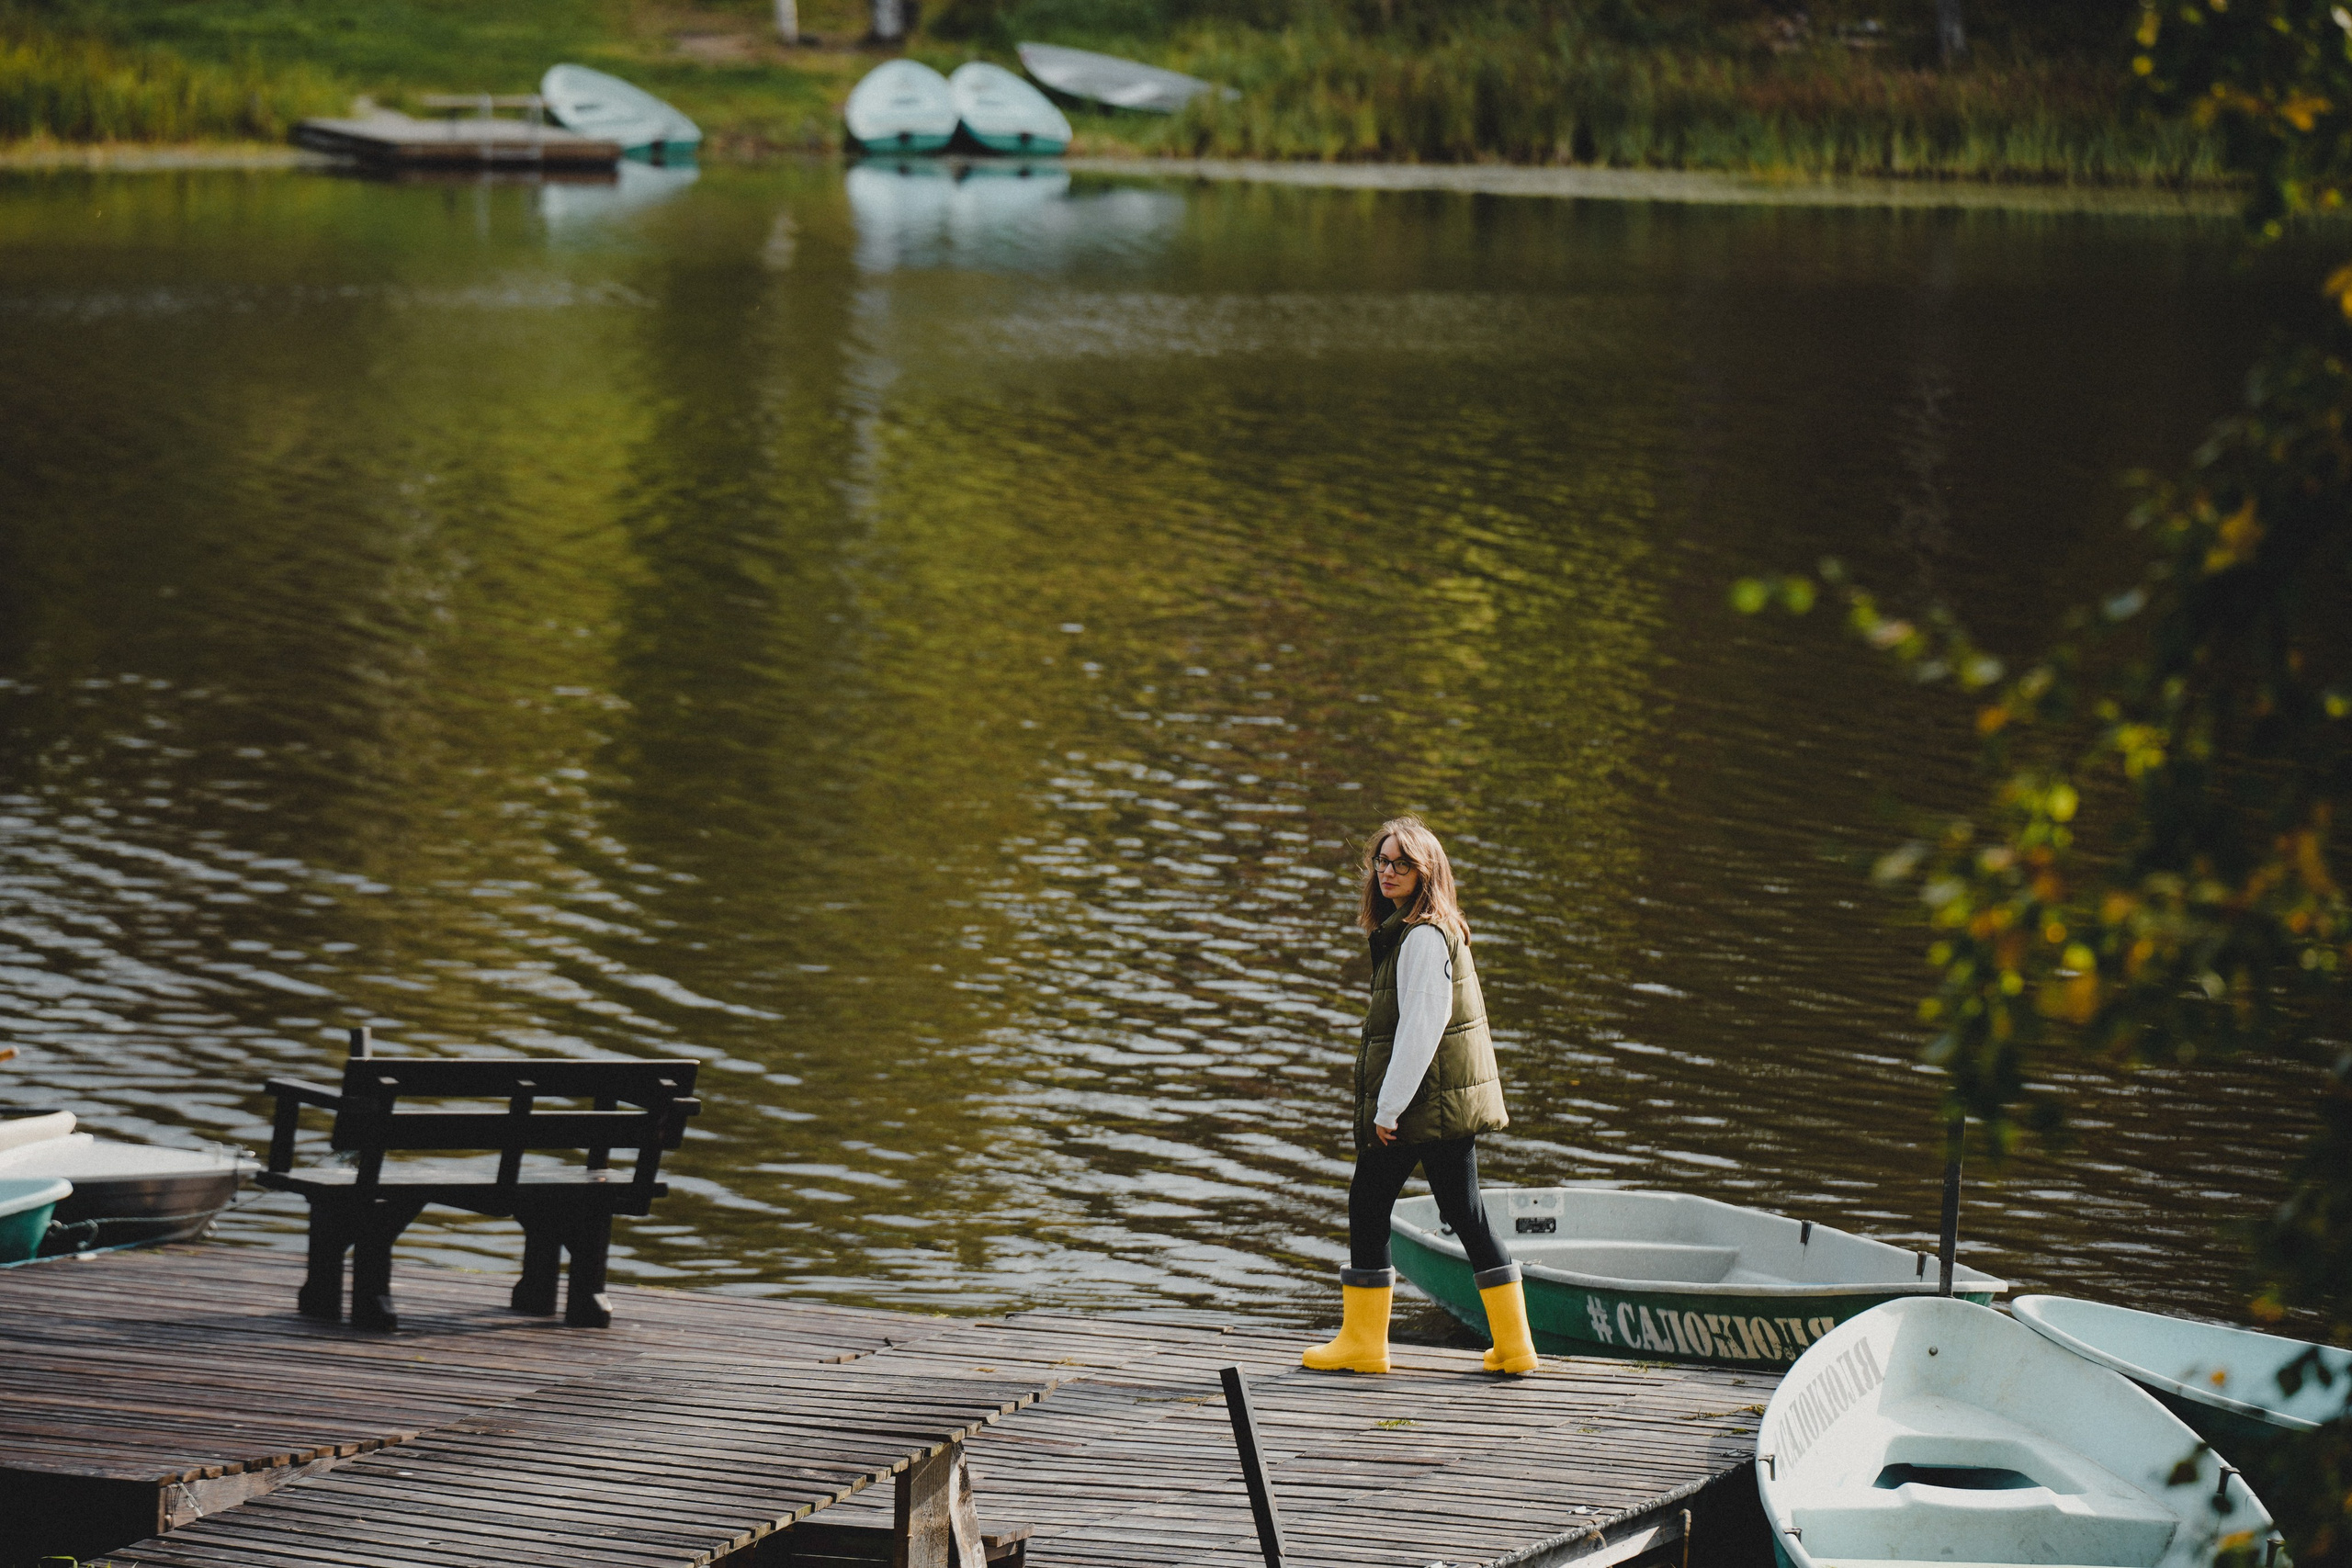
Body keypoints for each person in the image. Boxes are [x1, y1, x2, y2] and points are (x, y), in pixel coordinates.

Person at [1301, 815, 1537, 1376]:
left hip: (1419, 1105)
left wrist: (1388, 1109)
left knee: (1368, 1202)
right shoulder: (1427, 930)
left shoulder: (1423, 937)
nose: (1387, 872)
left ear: (1425, 871)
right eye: (1382, 861)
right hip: (1439, 1104)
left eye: (1401, 864)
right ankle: (1515, 1346)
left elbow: (1422, 1029)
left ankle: (1363, 1344)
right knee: (1466, 1213)